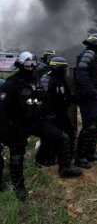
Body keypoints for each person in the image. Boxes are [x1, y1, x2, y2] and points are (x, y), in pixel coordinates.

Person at [0, 51, 82, 201]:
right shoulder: (11, 84)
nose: (31, 67)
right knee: (17, 155)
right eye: (27, 65)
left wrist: (50, 116)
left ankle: (64, 169)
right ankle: (19, 188)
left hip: (37, 122)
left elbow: (45, 100)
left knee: (62, 137)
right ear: (20, 65)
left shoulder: (36, 82)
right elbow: (2, 109)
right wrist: (5, 131)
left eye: (33, 64)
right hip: (19, 124)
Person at [74, 33, 97, 169]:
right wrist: (94, 93)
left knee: (94, 127)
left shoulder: (95, 57)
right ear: (96, 44)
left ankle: (90, 153)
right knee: (88, 127)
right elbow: (81, 77)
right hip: (88, 99)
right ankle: (80, 157)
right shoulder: (88, 55)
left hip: (94, 98)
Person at [36, 56, 76, 166]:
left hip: (60, 113)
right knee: (49, 139)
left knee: (69, 134)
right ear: (58, 68)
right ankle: (43, 161)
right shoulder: (46, 79)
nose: (64, 71)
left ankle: (65, 159)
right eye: (63, 69)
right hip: (49, 115)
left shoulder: (60, 80)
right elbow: (43, 99)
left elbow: (65, 96)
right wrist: (50, 114)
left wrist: (77, 97)